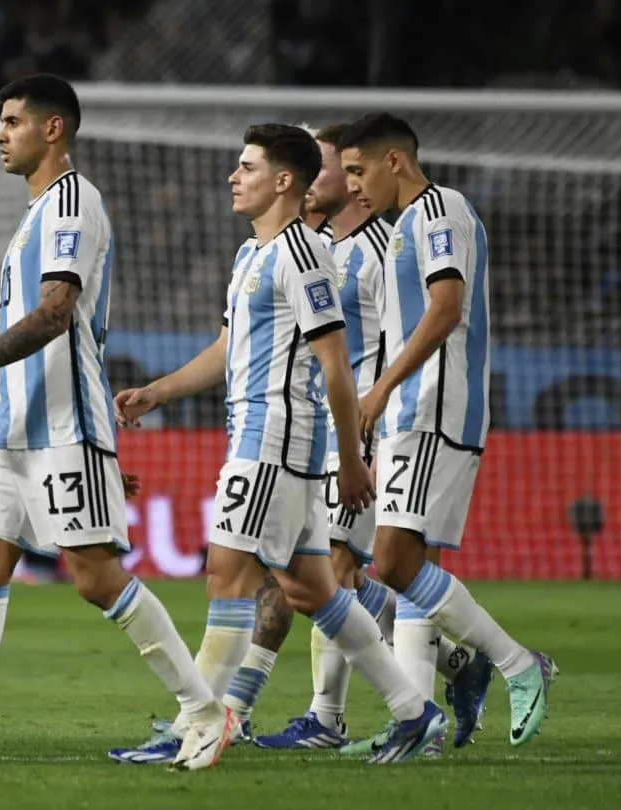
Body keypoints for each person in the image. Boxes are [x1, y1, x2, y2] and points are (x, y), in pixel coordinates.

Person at [0, 74, 231, 773]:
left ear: (52, 128)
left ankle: (207, 714)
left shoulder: (72, 202)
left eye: (12, 121)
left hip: (62, 425)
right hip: (8, 429)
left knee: (95, 578)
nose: (0, 135)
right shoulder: (34, 215)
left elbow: (57, 312)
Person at [111, 123, 446, 766]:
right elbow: (226, 349)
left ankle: (197, 725)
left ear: (283, 180)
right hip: (262, 440)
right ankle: (414, 711)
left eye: (247, 167)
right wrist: (158, 391)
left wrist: (352, 460)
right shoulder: (251, 254)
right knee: (313, 591)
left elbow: (336, 365)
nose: (233, 178)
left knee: (226, 576)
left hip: (275, 443)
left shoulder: (302, 255)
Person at [248, 123, 491, 752]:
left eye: (333, 166)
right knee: (335, 572)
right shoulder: (319, 248)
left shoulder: (388, 245)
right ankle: (457, 665)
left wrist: (380, 415)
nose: (317, 178)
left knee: (339, 565)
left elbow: (413, 330)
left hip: (373, 426)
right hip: (328, 426)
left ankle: (331, 717)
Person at [336, 113, 556, 753]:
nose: (352, 185)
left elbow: (447, 306)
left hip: (435, 407)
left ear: (394, 161)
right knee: (408, 566)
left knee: (393, 561)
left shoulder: (439, 210)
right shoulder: (402, 226)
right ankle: (419, 724)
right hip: (411, 412)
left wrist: (382, 387)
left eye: (358, 170)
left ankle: (518, 664)